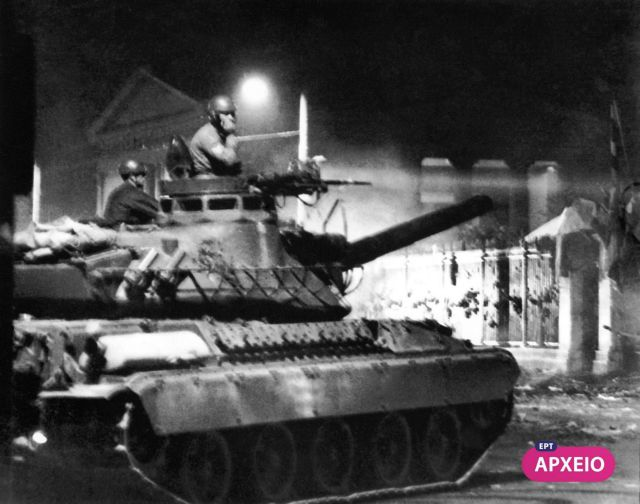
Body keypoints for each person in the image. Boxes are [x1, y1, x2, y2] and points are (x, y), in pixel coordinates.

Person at [189, 94, 241, 177]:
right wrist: (230, 135)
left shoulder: (221, 132)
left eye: (232, 113)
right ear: (214, 116)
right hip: (206, 180)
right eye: (226, 114)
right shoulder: (207, 135)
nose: (231, 118)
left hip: (217, 177)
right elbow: (229, 159)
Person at [103, 160, 159, 226]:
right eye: (142, 175)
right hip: (123, 230)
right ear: (132, 177)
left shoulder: (118, 191)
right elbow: (157, 207)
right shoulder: (131, 192)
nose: (144, 178)